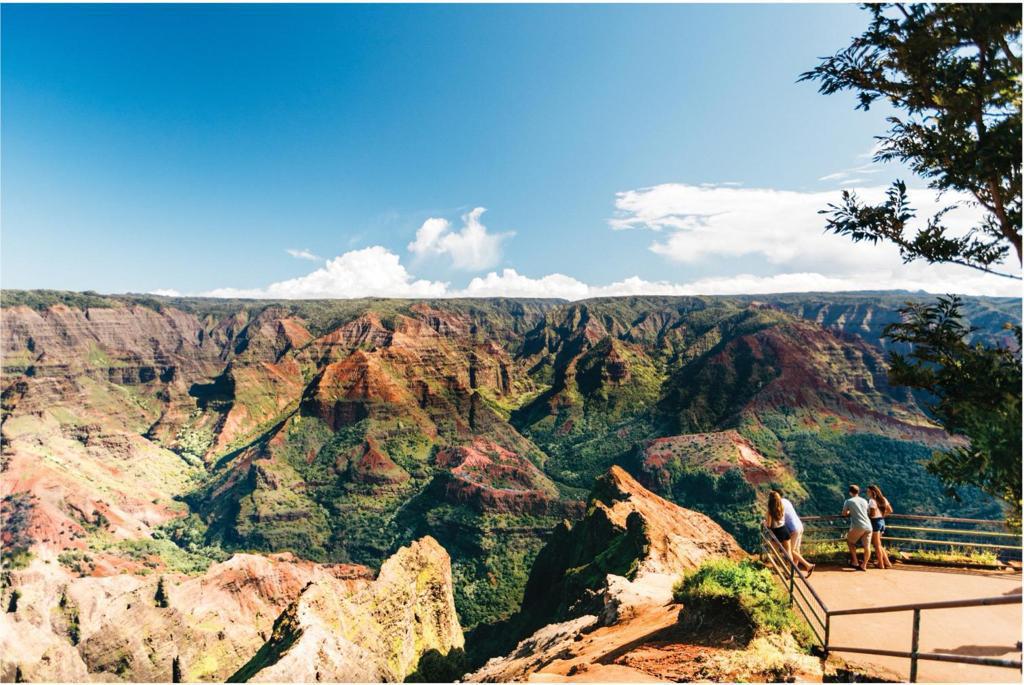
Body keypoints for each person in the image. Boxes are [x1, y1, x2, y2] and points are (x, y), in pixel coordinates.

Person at [766, 491, 814, 575]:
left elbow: (769, 525)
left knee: (787, 552)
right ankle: (793, 572)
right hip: (797, 527)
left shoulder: (772, 509)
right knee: (793, 551)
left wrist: (765, 522)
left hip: (792, 530)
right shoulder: (783, 504)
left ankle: (806, 565)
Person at [842, 484, 872, 571]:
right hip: (868, 526)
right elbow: (868, 512)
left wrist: (850, 512)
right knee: (867, 547)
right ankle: (864, 565)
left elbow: (844, 514)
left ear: (850, 492)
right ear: (858, 492)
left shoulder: (848, 501)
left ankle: (855, 562)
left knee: (850, 542)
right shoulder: (864, 501)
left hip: (858, 526)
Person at [867, 485, 894, 569]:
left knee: (877, 545)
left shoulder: (872, 501)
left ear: (872, 492)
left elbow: (872, 514)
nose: (867, 493)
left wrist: (866, 515)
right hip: (882, 522)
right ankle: (887, 562)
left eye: (868, 491)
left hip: (875, 523)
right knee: (879, 544)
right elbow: (890, 510)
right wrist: (882, 515)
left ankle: (881, 564)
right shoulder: (883, 499)